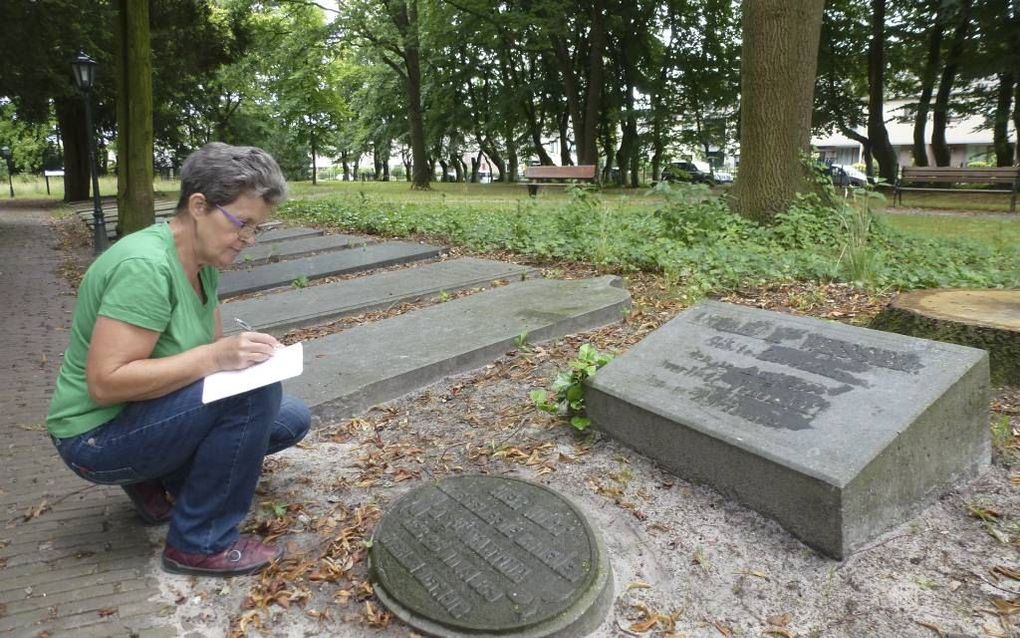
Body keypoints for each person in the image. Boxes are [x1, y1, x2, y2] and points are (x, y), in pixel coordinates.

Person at [46, 142, 311, 577]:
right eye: (242, 224)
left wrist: (251, 356)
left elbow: (213, 361)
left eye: (256, 228)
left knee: (290, 416)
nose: (247, 238)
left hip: (140, 413)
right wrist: (219, 357)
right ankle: (199, 543)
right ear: (199, 205)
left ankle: (158, 480)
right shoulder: (146, 268)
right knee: (253, 399)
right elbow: (106, 383)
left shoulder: (203, 261)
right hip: (94, 438)